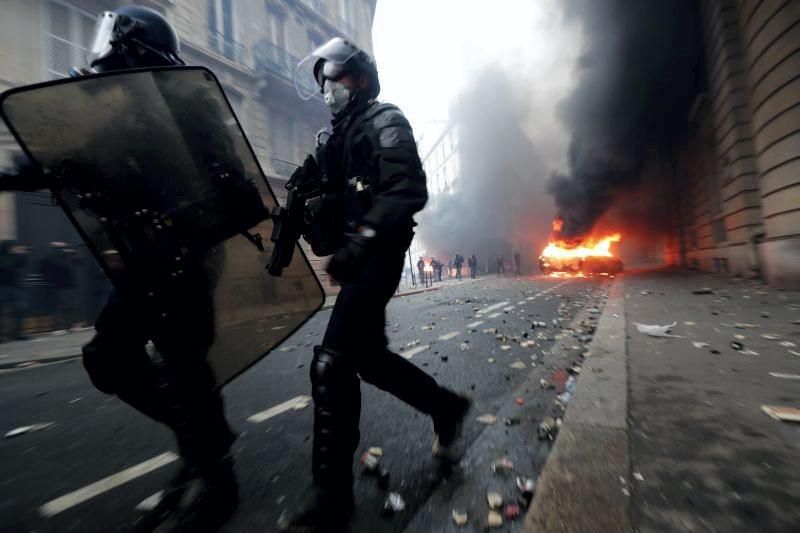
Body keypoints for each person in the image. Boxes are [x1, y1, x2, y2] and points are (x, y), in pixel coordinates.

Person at [2, 6, 239, 529]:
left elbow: (234, 192)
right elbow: (62, 161)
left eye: (114, 45)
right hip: (143, 269)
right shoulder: (117, 122)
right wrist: (16, 171)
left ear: (137, 51)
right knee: (109, 358)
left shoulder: (187, 109)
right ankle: (202, 440)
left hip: (185, 268)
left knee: (185, 369)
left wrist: (176, 215)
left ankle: (219, 485)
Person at [284, 37, 472, 532]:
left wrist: (360, 242)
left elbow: (407, 189)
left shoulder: (385, 120)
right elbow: (326, 204)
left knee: (332, 364)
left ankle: (332, 500)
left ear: (361, 79)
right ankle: (446, 406)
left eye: (337, 78)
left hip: (379, 253)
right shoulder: (334, 140)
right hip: (355, 256)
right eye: (322, 82)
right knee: (366, 358)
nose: (329, 90)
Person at [0, 240, 31, 341]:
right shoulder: (3, 256)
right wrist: (16, 254)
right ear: (8, 248)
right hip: (3, 288)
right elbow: (6, 266)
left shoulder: (15, 257)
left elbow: (23, 263)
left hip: (15, 288)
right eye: (14, 247)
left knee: (21, 309)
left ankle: (18, 333)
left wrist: (23, 254)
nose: (16, 248)